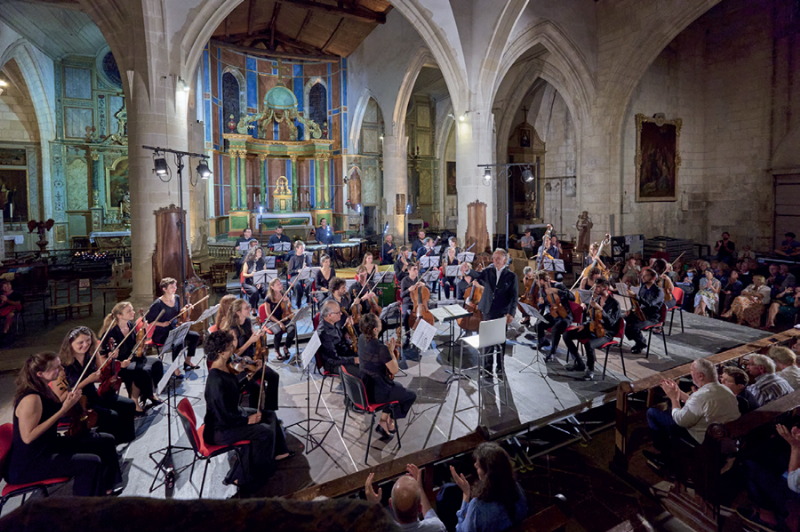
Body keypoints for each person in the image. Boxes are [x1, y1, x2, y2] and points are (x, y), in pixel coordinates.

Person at [6, 352, 123, 497]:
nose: (61, 369)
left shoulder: (44, 387)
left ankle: (106, 488)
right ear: (40, 374)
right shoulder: (31, 398)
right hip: (30, 463)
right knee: (90, 463)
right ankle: (84, 509)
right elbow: (28, 437)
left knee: (105, 440)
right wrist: (63, 409)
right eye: (56, 367)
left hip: (49, 445)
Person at [202, 330, 292, 494]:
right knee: (264, 432)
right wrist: (247, 421)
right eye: (230, 348)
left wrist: (250, 373)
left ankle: (279, 452)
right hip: (220, 430)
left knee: (269, 415)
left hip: (232, 417)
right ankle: (249, 476)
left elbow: (235, 389)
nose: (233, 351)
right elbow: (224, 418)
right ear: (220, 352)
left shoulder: (225, 368)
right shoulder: (215, 382)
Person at [643, 359, 740, 472]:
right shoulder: (725, 390)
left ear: (701, 376)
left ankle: (666, 457)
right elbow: (700, 406)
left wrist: (674, 398)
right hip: (723, 439)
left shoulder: (701, 396)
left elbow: (680, 421)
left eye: (692, 371)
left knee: (652, 413)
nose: (690, 374)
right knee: (672, 408)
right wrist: (678, 392)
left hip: (702, 442)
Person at [57, 327, 137, 444]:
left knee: (129, 405)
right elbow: (61, 397)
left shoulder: (92, 354)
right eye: (80, 342)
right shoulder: (62, 365)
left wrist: (111, 372)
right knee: (111, 416)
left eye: (88, 340)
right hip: (78, 404)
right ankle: (106, 444)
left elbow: (101, 376)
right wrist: (88, 380)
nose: (85, 345)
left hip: (94, 395)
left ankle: (123, 439)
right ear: (70, 344)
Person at [99, 302, 164, 416]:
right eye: (129, 311)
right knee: (141, 371)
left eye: (132, 310)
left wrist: (143, 331)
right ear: (119, 315)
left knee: (157, 363)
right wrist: (119, 361)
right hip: (120, 365)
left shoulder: (130, 325)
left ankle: (149, 393)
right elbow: (103, 357)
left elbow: (136, 344)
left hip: (134, 358)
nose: (133, 312)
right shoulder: (110, 333)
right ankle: (135, 402)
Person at [462, 250, 519, 378]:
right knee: (487, 340)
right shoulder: (488, 272)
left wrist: (511, 313)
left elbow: (514, 297)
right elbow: (477, 274)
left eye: (498, 258)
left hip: (502, 311)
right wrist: (467, 271)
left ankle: (500, 366)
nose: (495, 261)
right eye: (494, 258)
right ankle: (487, 368)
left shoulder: (511, 276)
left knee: (500, 340)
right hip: (488, 309)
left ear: (505, 259)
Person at [357, 313, 416, 438]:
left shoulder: (361, 338)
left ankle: (383, 422)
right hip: (377, 392)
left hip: (365, 386)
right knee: (410, 395)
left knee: (398, 387)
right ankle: (391, 420)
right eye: (379, 321)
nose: (381, 321)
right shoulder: (380, 348)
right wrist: (391, 352)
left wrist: (388, 350)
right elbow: (394, 370)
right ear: (375, 329)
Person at [449, 442, 527, 532]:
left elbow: (461, 530)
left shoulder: (477, 506)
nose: (475, 465)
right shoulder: (517, 489)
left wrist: (466, 494)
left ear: (487, 474)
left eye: (478, 464)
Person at [736, 424, 800, 532]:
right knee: (762, 454)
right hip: (791, 477)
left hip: (793, 494)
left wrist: (795, 447)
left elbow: (794, 483)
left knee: (747, 465)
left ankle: (768, 519)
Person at [223, 299, 278, 411]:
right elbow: (232, 355)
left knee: (274, 376)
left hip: (250, 361)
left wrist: (259, 334)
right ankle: (253, 415)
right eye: (246, 308)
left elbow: (253, 337)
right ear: (238, 313)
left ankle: (269, 410)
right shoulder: (232, 330)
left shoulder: (247, 322)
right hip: (238, 367)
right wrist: (250, 342)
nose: (249, 309)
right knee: (256, 388)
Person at [563, 277, 620, 381]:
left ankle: (590, 370)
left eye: (598, 287)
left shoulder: (615, 304)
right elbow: (592, 318)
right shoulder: (597, 299)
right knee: (567, 335)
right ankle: (579, 362)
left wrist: (601, 309)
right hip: (593, 328)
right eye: (595, 286)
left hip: (606, 333)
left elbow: (611, 323)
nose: (595, 289)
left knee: (588, 344)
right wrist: (584, 325)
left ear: (606, 288)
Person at [365, 464, 446, 531]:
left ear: (390, 504)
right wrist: (420, 488)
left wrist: (374, 505)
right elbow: (431, 517)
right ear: (420, 509)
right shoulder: (437, 528)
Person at [145, 277, 200, 373]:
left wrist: (186, 309)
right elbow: (148, 321)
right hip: (161, 333)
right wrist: (161, 324)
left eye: (175, 286)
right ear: (164, 289)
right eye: (171, 287)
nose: (174, 288)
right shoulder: (158, 304)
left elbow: (177, 313)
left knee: (195, 336)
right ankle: (175, 368)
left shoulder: (177, 298)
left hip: (174, 329)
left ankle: (188, 361)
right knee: (177, 341)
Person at [531, 270, 574, 364]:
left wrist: (557, 291)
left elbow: (572, 297)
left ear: (543, 280)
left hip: (564, 315)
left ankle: (552, 353)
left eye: (537, 281)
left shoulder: (558, 286)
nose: (536, 283)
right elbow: (542, 307)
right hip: (553, 313)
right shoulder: (541, 291)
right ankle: (542, 342)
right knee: (538, 325)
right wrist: (540, 303)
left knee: (555, 329)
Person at [624, 268, 664, 354]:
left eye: (646, 275)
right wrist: (630, 310)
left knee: (634, 326)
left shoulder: (659, 291)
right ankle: (640, 341)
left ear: (653, 278)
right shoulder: (643, 288)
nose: (643, 277)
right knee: (623, 320)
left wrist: (635, 296)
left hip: (651, 317)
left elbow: (650, 304)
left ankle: (640, 343)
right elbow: (637, 303)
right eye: (642, 275)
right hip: (640, 313)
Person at [259, 278, 297, 363]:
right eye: (278, 285)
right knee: (278, 331)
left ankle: (286, 347)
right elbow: (269, 314)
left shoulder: (283, 294)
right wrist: (279, 323)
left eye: (280, 284)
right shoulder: (268, 298)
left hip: (283, 316)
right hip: (271, 320)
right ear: (272, 287)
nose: (281, 286)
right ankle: (276, 350)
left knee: (292, 329)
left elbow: (287, 307)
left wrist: (288, 301)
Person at [318, 299, 359, 376]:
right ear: (329, 315)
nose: (341, 313)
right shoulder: (324, 333)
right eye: (338, 312)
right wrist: (353, 360)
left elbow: (337, 335)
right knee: (363, 372)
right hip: (334, 365)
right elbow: (333, 359)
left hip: (343, 354)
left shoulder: (332, 322)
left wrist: (345, 327)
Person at [241, 246, 267, 311]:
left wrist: (260, 282)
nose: (260, 253)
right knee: (254, 291)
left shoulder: (262, 261)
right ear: (254, 253)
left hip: (259, 281)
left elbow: (265, 273)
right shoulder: (248, 262)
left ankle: (266, 307)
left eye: (261, 252)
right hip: (249, 282)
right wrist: (251, 274)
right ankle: (253, 307)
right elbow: (244, 274)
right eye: (258, 252)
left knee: (267, 290)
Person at [287, 241, 311, 308]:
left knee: (309, 283)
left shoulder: (306, 257)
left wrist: (307, 268)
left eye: (303, 248)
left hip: (304, 275)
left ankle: (309, 301)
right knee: (297, 285)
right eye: (301, 248)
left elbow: (310, 267)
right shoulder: (293, 259)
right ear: (297, 248)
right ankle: (298, 303)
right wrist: (297, 270)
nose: (303, 250)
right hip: (295, 276)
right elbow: (289, 271)